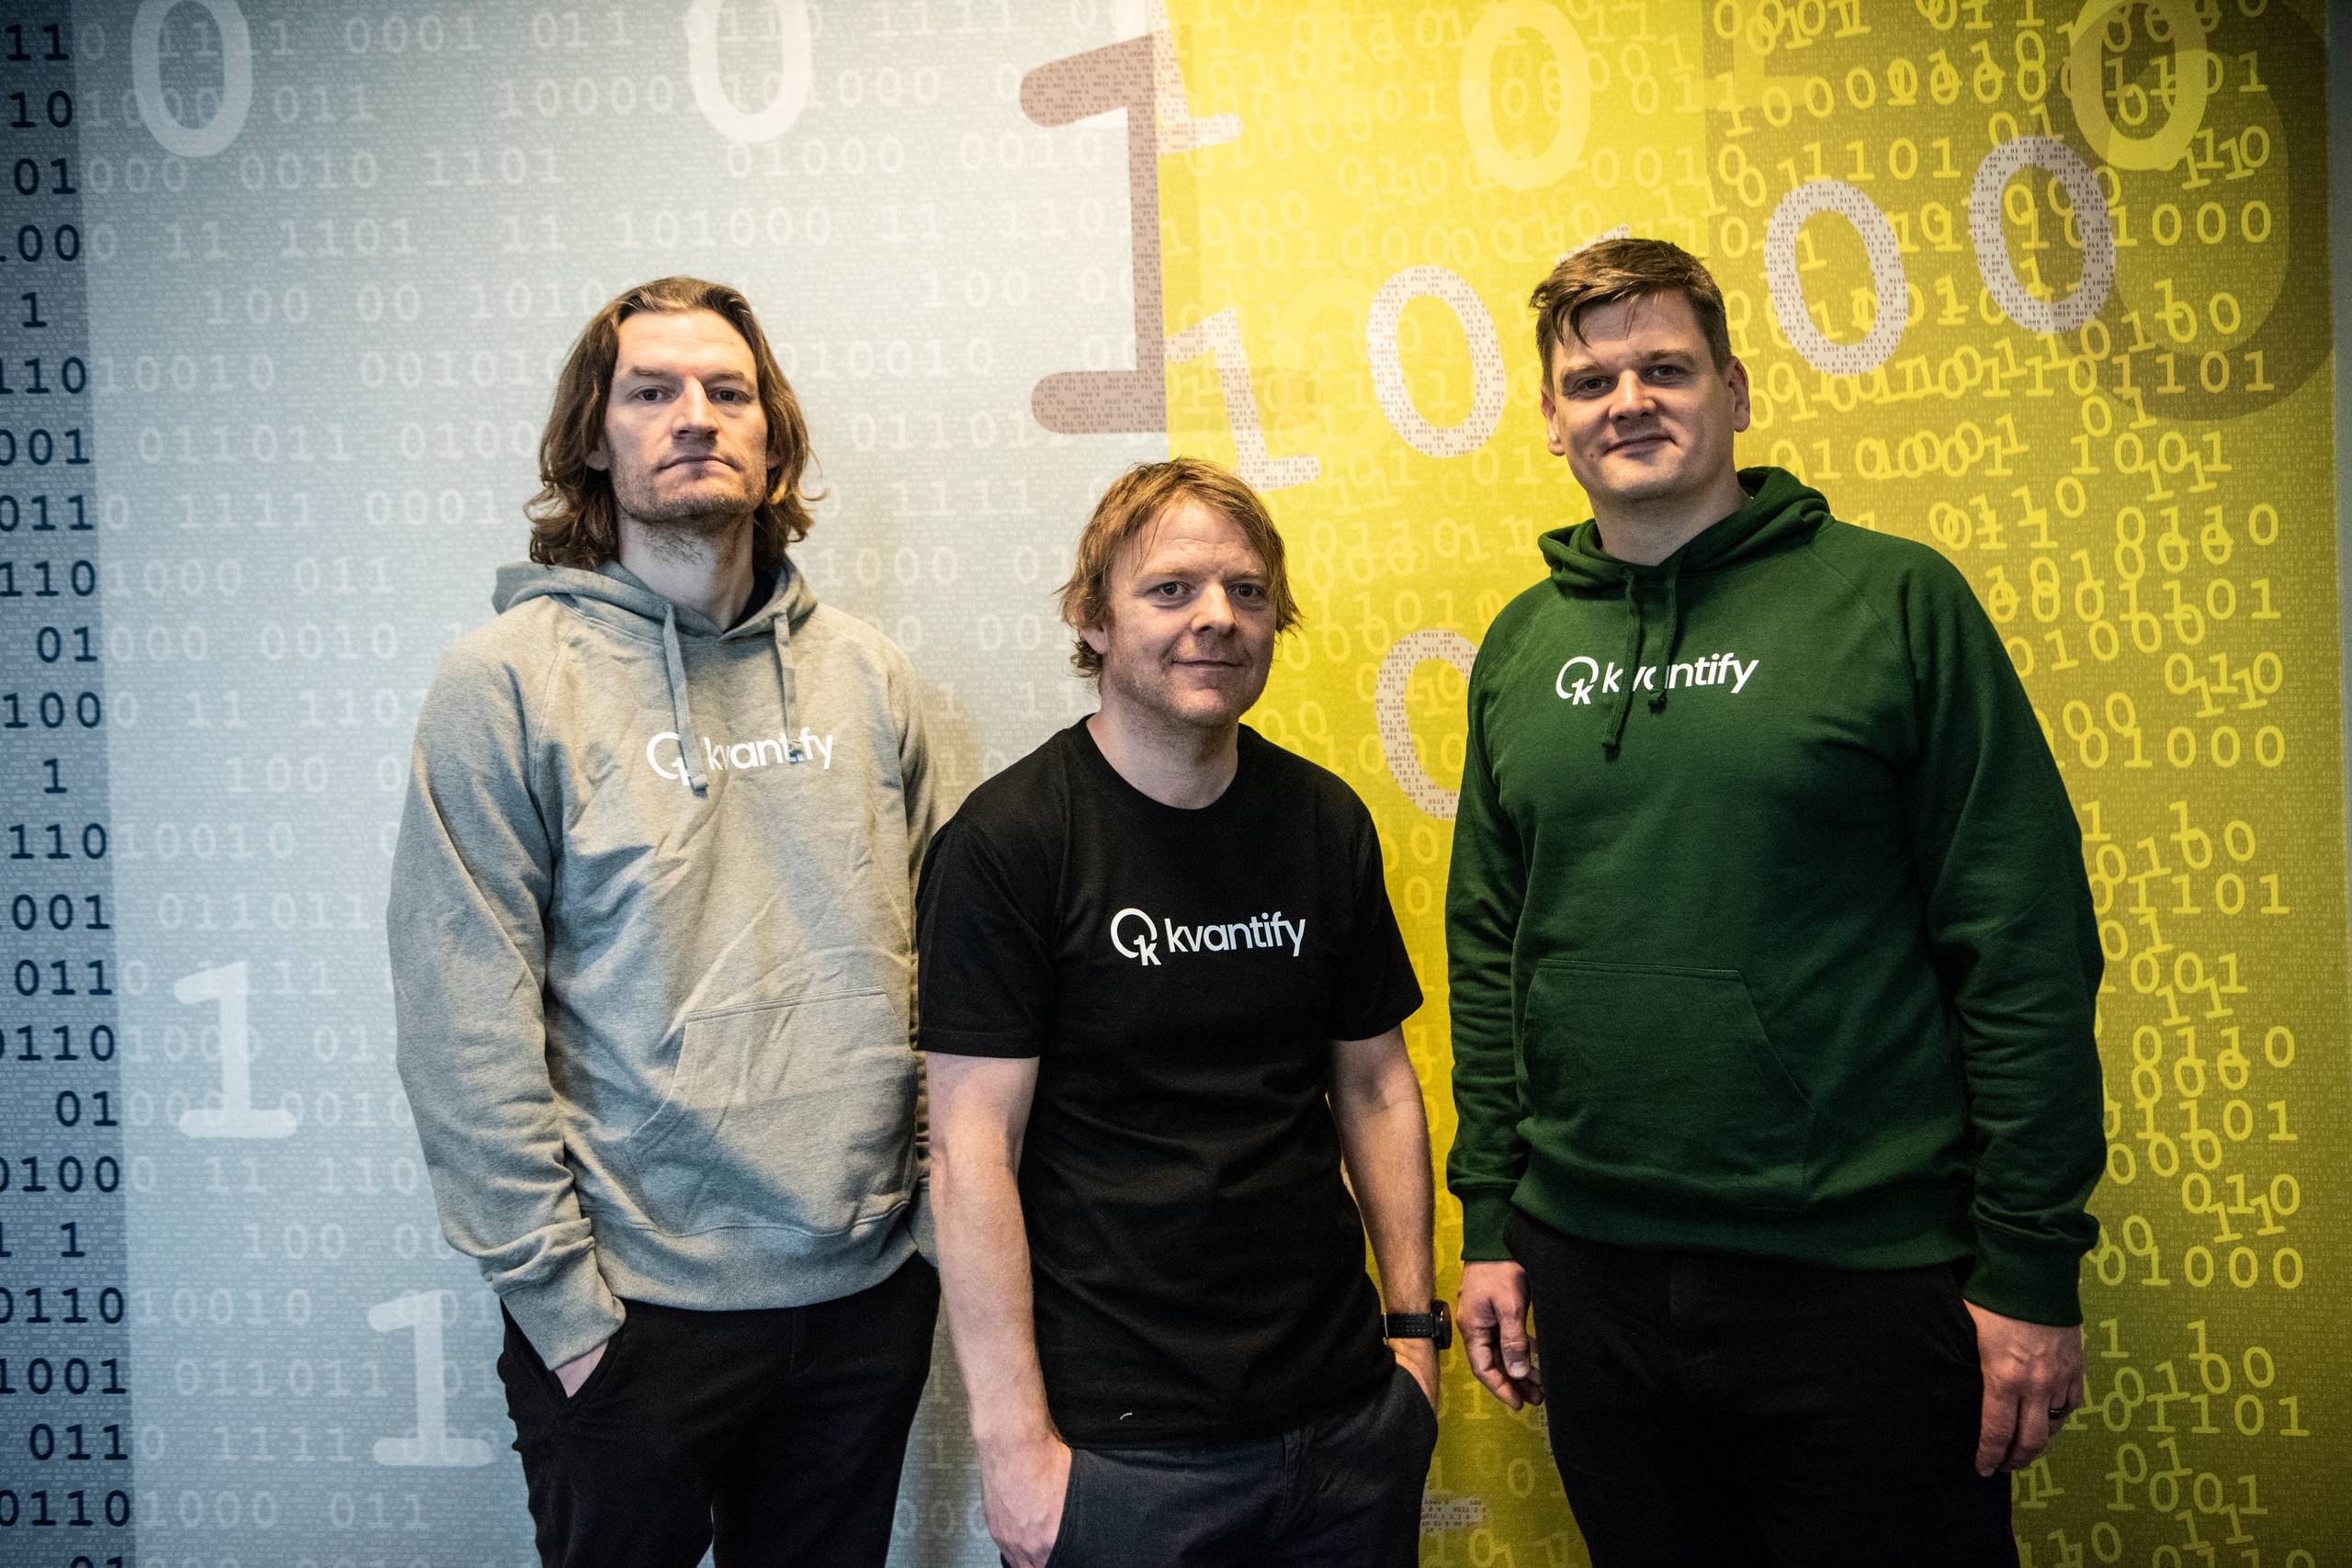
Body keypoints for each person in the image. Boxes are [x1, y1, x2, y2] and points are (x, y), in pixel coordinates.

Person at [1445, 237, 2105, 1565]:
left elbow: (2022, 941)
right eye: (1591, 379)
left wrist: (2030, 1265)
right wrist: (1489, 1220)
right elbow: (1490, 944)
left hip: (1862, 1274)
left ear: (1736, 390)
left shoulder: (1893, 600)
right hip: (1591, 1267)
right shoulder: (1523, 641)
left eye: (1665, 367)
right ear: (1551, 422)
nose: (1628, 399)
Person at [388, 276, 938, 1567]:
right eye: (652, 391)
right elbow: (463, 1019)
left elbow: (938, 971)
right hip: (631, 1311)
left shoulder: (866, 673)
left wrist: (918, 1237)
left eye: (727, 390)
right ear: (596, 434)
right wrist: (564, 1311)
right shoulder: (507, 681)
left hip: (860, 1299)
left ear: (773, 435)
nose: (694, 415)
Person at [918, 458, 1444, 1568]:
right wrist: (1016, 1450)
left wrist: (1411, 1340)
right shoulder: (1010, 841)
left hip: (1347, 1420)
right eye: (1170, 589)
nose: (1216, 617)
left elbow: (1377, 1087)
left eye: (1246, 592)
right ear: (1090, 617)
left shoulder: (1321, 819)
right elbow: (972, 1154)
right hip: (1125, 1454)